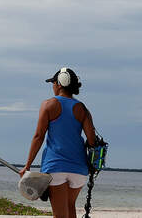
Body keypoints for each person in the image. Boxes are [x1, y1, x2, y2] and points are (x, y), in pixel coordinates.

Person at [20, 66, 97, 218]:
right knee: (70, 207)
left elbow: (39, 136)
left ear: (60, 83)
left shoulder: (48, 105)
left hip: (56, 166)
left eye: (53, 83)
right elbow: (92, 140)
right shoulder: (82, 109)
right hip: (79, 169)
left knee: (60, 214)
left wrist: (27, 165)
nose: (53, 86)